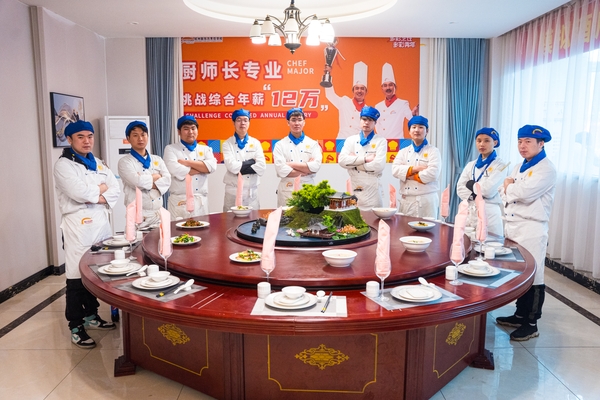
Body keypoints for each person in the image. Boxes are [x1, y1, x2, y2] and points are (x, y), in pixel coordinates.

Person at [53, 120, 119, 349]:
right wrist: (100, 191)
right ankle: (76, 325)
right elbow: (78, 192)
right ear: (69, 139)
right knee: (75, 277)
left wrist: (96, 195)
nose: (87, 141)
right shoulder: (63, 165)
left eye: (89, 136)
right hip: (77, 226)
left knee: (96, 274)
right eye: (80, 136)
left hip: (100, 223)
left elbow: (115, 187)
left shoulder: (98, 163)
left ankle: (92, 315)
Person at [496, 125, 557, 341]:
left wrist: (509, 187)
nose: (522, 146)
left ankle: (531, 324)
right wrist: (508, 188)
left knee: (535, 276)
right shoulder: (519, 166)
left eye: (528, 141)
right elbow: (503, 192)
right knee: (520, 274)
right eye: (520, 141)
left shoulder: (546, 169)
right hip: (513, 226)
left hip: (532, 228)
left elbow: (525, 193)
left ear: (541, 144)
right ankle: (519, 314)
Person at [456, 128, 508, 237]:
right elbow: (460, 188)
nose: (482, 144)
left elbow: (488, 190)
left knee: (489, 244)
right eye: (479, 141)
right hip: (471, 210)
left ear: (495, 142)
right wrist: (475, 195)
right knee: (467, 243)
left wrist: (471, 184)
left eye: (487, 140)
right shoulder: (471, 165)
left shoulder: (501, 165)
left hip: (489, 212)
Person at [118, 120, 171, 227]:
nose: (140, 138)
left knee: (162, 238)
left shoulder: (157, 159)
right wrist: (156, 176)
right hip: (138, 216)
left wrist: (144, 180)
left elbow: (168, 180)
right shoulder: (125, 162)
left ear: (147, 136)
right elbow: (137, 182)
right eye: (135, 135)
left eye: (143, 135)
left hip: (158, 214)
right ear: (128, 138)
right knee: (136, 238)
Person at [164, 115, 217, 219]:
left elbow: (211, 167)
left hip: (201, 201)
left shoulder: (206, 149)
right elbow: (174, 169)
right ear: (179, 132)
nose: (190, 132)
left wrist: (186, 162)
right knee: (178, 229)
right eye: (186, 129)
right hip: (180, 201)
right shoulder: (171, 149)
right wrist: (201, 167)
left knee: (204, 229)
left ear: (197, 130)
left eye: (193, 128)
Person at [338, 106, 387, 210]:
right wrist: (365, 159)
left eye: (370, 120)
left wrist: (354, 164)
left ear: (375, 122)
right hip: (355, 186)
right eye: (364, 119)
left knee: (374, 218)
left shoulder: (381, 141)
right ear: (360, 120)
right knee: (355, 217)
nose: (366, 122)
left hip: (373, 188)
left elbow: (378, 165)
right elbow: (342, 161)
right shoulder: (351, 140)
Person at [392, 115, 441, 218]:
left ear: (427, 131)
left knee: (428, 227)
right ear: (409, 131)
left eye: (421, 127)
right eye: (413, 127)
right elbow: (395, 170)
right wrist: (415, 169)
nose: (417, 130)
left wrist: (409, 175)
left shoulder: (433, 151)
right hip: (407, 200)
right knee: (405, 227)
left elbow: (433, 174)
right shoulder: (403, 152)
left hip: (427, 200)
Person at [273, 108, 323, 207]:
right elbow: (281, 170)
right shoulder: (280, 145)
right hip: (287, 189)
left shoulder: (313, 144)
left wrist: (290, 164)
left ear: (304, 122)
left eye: (299, 120)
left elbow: (315, 166)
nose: (297, 123)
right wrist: (306, 170)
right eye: (293, 120)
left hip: (307, 188)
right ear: (288, 122)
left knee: (308, 216)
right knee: (286, 216)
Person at [222, 109, 266, 211]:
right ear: (233, 123)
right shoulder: (227, 144)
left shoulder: (255, 143)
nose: (242, 123)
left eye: (245, 120)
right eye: (239, 120)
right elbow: (232, 167)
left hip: (251, 193)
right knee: (230, 220)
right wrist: (252, 162)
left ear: (249, 123)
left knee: (253, 220)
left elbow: (262, 167)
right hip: (233, 192)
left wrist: (240, 168)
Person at [325, 61, 368, 139]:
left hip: (357, 142)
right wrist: (327, 75)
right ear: (353, 91)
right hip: (341, 141)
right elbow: (330, 95)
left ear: (366, 91)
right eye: (357, 88)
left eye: (362, 88)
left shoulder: (367, 110)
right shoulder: (344, 102)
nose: (359, 91)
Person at [375, 63, 418, 139]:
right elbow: (376, 125)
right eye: (385, 85)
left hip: (397, 142)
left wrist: (414, 114)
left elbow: (411, 118)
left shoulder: (403, 104)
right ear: (382, 88)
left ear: (395, 87)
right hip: (382, 142)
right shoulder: (378, 106)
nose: (388, 88)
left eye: (390, 85)